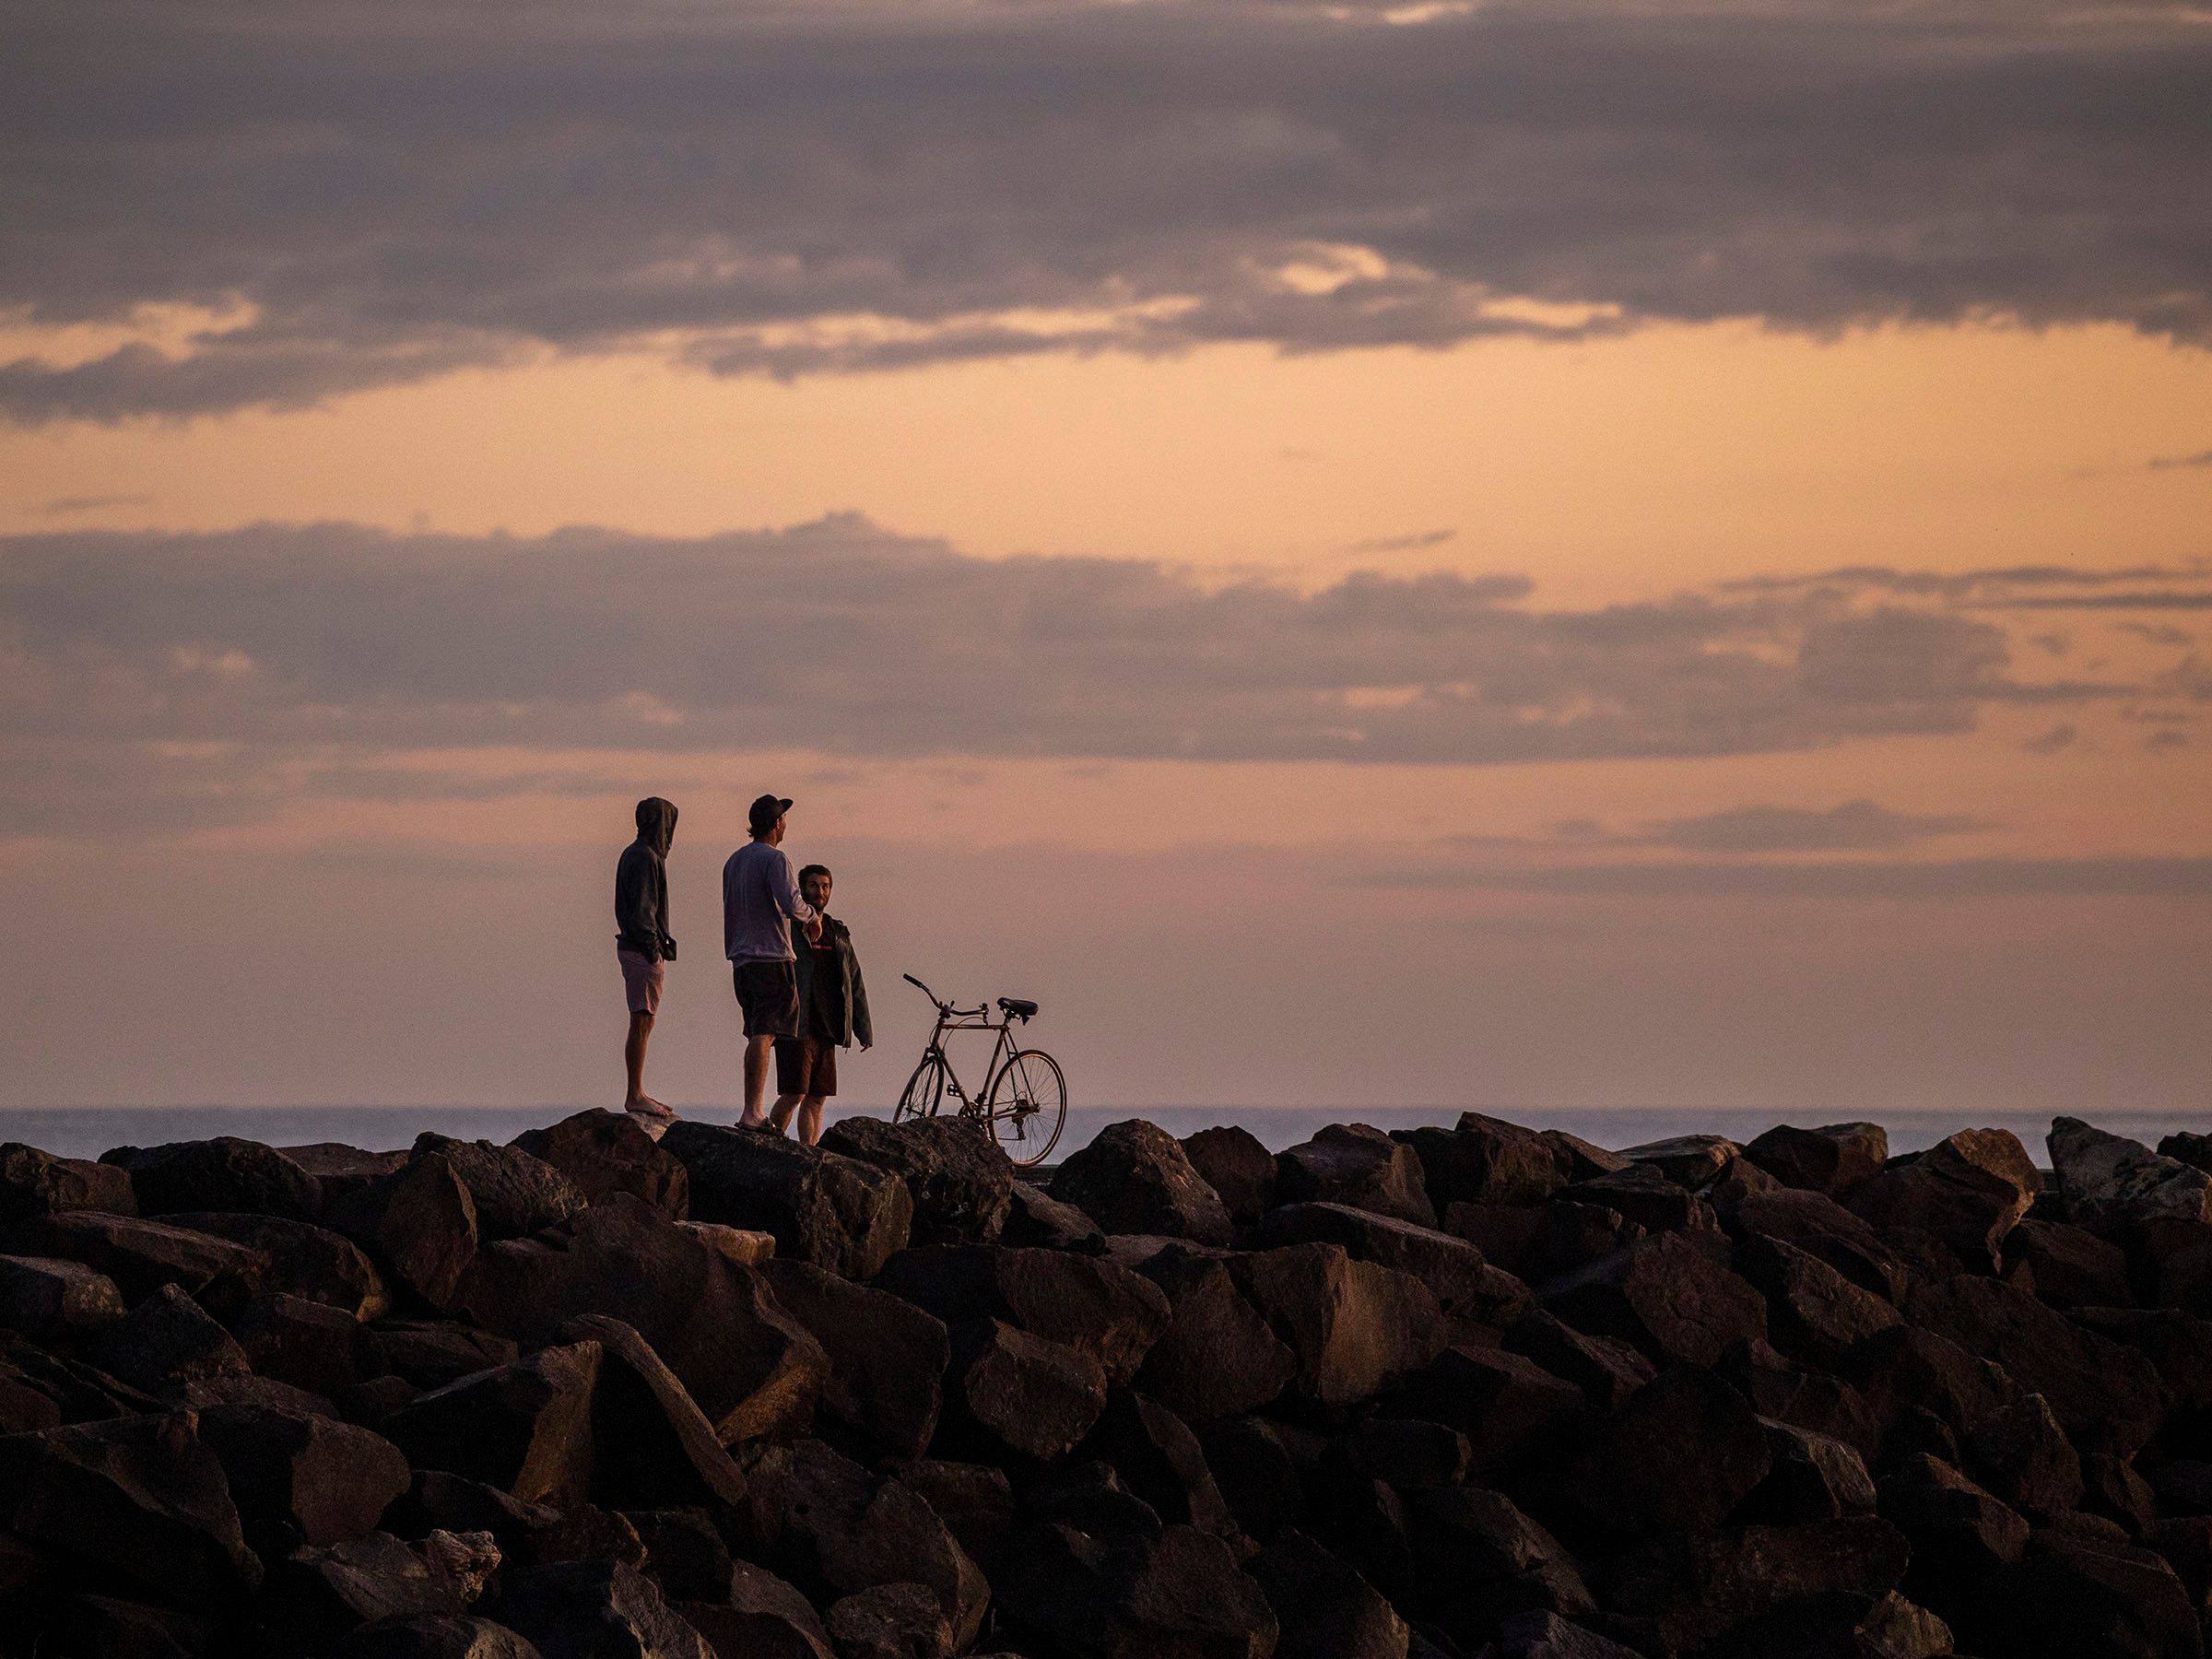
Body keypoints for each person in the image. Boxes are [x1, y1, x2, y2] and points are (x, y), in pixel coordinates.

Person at [724, 793, 820, 1128]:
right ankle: (753, 1112)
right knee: (764, 1034)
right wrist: (812, 917)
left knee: (757, 1032)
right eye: (784, 819)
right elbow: (791, 902)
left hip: (741, 960)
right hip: (771, 958)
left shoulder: (733, 861)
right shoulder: (775, 859)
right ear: (777, 823)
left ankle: (754, 1107)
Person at [768, 864, 873, 1146]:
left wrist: (863, 1029)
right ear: (802, 889)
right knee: (794, 1093)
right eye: (814, 885)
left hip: (828, 1026)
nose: (820, 891)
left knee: (816, 1098)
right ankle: (769, 1144)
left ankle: (808, 1152)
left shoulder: (838, 933)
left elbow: (854, 980)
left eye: (825, 886)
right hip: (796, 1024)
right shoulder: (788, 929)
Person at [614, 796, 679, 1121]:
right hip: (640, 948)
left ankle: (636, 1091)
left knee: (645, 1018)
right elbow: (642, 911)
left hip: (639, 946)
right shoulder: (643, 857)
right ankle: (635, 1093)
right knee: (642, 1018)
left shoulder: (639, 854)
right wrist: (653, 946)